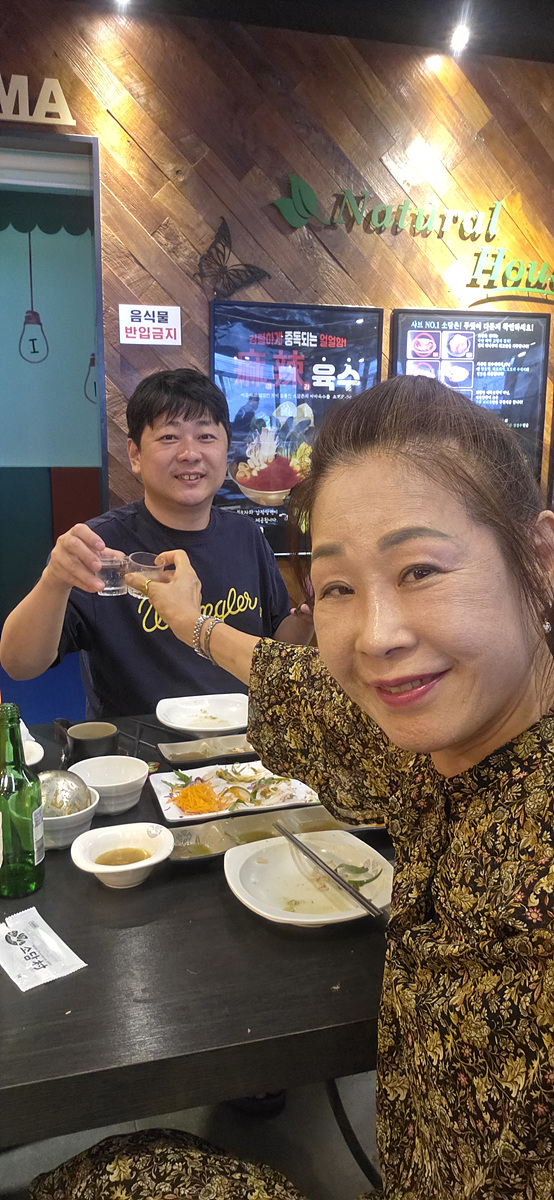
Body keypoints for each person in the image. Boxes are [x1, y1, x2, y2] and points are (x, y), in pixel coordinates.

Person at [124, 375, 554, 1199]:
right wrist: (194, 625)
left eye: (420, 569)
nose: (376, 637)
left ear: (538, 558)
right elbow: (312, 691)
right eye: (338, 588)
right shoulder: (449, 741)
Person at [0, 369, 312, 719]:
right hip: (138, 747)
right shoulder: (99, 546)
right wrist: (54, 581)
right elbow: (19, 665)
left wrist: (307, 617)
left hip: (241, 745)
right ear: (134, 454)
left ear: (227, 449)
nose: (190, 453)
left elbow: (274, 653)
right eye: (169, 437)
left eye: (206, 436)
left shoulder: (246, 535)